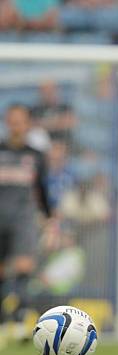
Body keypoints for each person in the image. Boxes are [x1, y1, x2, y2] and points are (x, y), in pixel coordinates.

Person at [0, 105, 52, 338]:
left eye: (20, 121)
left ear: (28, 124)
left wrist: (49, 216)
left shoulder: (36, 156)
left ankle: (20, 320)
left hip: (23, 218)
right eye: (12, 120)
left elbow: (42, 189)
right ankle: (2, 321)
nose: (16, 125)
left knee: (24, 266)